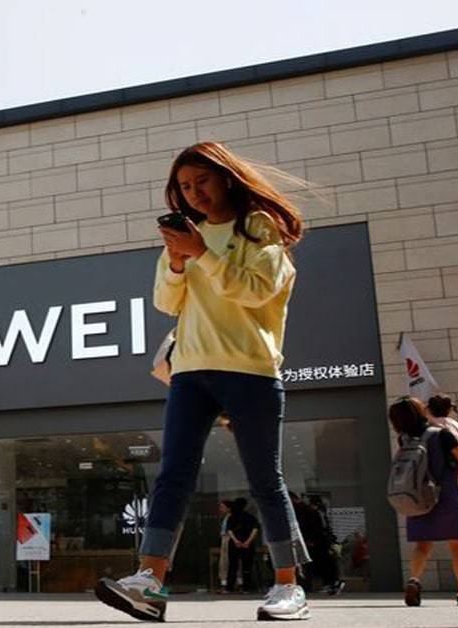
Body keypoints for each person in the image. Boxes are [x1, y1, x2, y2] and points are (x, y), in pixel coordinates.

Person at [95, 141, 311, 622]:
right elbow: (166, 303)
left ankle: (288, 585)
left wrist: (201, 254)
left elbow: (254, 292)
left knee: (265, 479)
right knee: (173, 473)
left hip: (250, 368)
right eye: (185, 187)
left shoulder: (259, 227)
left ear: (227, 178)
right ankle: (150, 581)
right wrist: (178, 262)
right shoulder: (186, 237)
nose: (194, 193)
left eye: (202, 181)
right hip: (190, 370)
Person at [389, 397, 458, 606]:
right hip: (445, 493)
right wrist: (452, 474)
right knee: (457, 544)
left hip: (417, 496)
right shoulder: (442, 434)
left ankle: (414, 580)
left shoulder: (404, 439)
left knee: (422, 544)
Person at [291, 492, 344, 595]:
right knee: (323, 563)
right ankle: (330, 583)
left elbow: (311, 527)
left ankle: (326, 584)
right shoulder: (314, 511)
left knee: (316, 564)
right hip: (318, 542)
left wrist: (310, 540)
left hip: (315, 543)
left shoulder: (305, 511)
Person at [225, 497, 260, 594]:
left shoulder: (231, 517)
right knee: (247, 566)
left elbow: (229, 530)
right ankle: (246, 587)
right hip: (248, 544)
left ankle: (229, 587)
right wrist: (248, 541)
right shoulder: (251, 517)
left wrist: (236, 541)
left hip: (234, 544)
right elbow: (255, 530)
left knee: (233, 566)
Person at [217, 500, 233, 594]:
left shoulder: (231, 518)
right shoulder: (226, 518)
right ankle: (224, 583)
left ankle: (226, 584)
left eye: (223, 507)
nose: (221, 509)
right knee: (223, 562)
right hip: (225, 538)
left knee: (226, 561)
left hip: (228, 538)